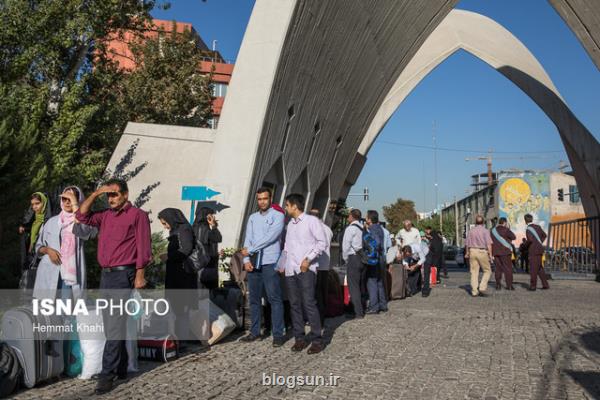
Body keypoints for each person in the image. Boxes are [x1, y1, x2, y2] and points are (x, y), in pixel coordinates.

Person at [75, 179, 151, 395]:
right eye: (109, 196)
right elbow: (81, 215)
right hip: (106, 276)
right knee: (110, 324)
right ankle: (121, 366)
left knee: (115, 325)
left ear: (126, 194)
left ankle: (107, 375)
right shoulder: (105, 215)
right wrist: (97, 192)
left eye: (115, 194)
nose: (111, 199)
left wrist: (140, 275)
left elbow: (144, 247)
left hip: (123, 275)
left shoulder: (138, 215)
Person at [280, 193, 327, 354]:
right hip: (290, 269)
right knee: (294, 305)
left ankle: (317, 340)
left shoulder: (311, 221)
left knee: (309, 304)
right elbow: (287, 247)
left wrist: (308, 259)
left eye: (287, 205)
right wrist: (282, 264)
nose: (285, 208)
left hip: (306, 269)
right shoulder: (290, 224)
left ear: (294, 206)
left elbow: (322, 243)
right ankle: (299, 338)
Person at [239, 187, 285, 346]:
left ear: (270, 198)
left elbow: (270, 237)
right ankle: (255, 332)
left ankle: (278, 334)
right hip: (253, 263)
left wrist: (250, 250)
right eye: (259, 199)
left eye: (265, 198)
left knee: (274, 298)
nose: (262, 202)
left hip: (270, 261)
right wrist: (246, 260)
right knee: (254, 299)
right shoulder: (252, 217)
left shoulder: (278, 216)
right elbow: (248, 239)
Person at [33, 186, 97, 300]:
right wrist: (48, 250)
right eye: (64, 199)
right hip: (50, 269)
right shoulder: (51, 222)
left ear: (78, 200)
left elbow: (87, 233)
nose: (67, 202)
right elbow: (38, 247)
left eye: (71, 199)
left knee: (66, 306)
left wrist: (76, 206)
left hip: (70, 273)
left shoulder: (83, 221)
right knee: (47, 308)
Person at [158, 208, 196, 340]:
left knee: (181, 310)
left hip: (182, 275)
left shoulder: (184, 229)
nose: (165, 226)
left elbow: (186, 249)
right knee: (176, 308)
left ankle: (182, 339)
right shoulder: (175, 231)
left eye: (165, 223)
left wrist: (168, 257)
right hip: (175, 274)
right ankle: (178, 338)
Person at [309, 208, 333, 325]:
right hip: (325, 265)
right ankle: (322, 318)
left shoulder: (313, 229)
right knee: (322, 293)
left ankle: (315, 319)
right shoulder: (328, 229)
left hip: (315, 265)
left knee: (314, 293)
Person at [18, 192, 53, 270]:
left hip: (42, 260)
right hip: (31, 257)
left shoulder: (49, 222)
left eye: (37, 203)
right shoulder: (35, 220)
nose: (34, 207)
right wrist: (25, 229)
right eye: (32, 204)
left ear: (44, 202)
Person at [342, 208, 365, 319]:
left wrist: (346, 259)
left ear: (352, 216)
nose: (347, 218)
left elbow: (346, 245)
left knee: (353, 286)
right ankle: (362, 307)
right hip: (363, 258)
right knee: (360, 284)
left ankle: (357, 312)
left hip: (353, 258)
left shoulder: (351, 229)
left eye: (348, 216)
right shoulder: (362, 228)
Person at [192, 207, 223, 290]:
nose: (213, 217)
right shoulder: (206, 230)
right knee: (207, 293)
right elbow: (218, 238)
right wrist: (214, 225)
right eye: (211, 215)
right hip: (207, 266)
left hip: (195, 265)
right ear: (207, 217)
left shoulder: (192, 229)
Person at [364, 210, 388, 313]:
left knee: (372, 281)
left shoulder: (372, 229)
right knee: (379, 281)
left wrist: (369, 253)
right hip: (381, 258)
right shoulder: (380, 228)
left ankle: (374, 307)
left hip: (375, 258)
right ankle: (382, 304)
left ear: (369, 219)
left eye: (366, 217)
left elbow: (376, 243)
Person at [465, 215, 493, 297]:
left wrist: (467, 252)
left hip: (472, 251)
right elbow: (489, 244)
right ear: (483, 222)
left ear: (475, 222)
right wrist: (490, 255)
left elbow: (467, 243)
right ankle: (482, 287)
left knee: (474, 272)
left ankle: (474, 291)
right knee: (487, 270)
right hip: (482, 252)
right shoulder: (485, 231)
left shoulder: (471, 231)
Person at [524, 214, 549, 291]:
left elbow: (530, 240)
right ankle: (545, 285)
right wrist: (539, 242)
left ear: (525, 220)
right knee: (539, 268)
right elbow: (545, 235)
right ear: (531, 219)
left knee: (533, 269)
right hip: (540, 249)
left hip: (533, 250)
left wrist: (525, 245)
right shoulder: (538, 227)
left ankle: (533, 286)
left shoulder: (528, 229)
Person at [490, 217, 516, 290]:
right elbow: (514, 237)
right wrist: (508, 229)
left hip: (496, 252)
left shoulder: (492, 231)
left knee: (498, 269)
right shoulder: (506, 230)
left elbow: (490, 242)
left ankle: (498, 285)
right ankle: (509, 285)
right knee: (508, 269)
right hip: (505, 252)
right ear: (504, 222)